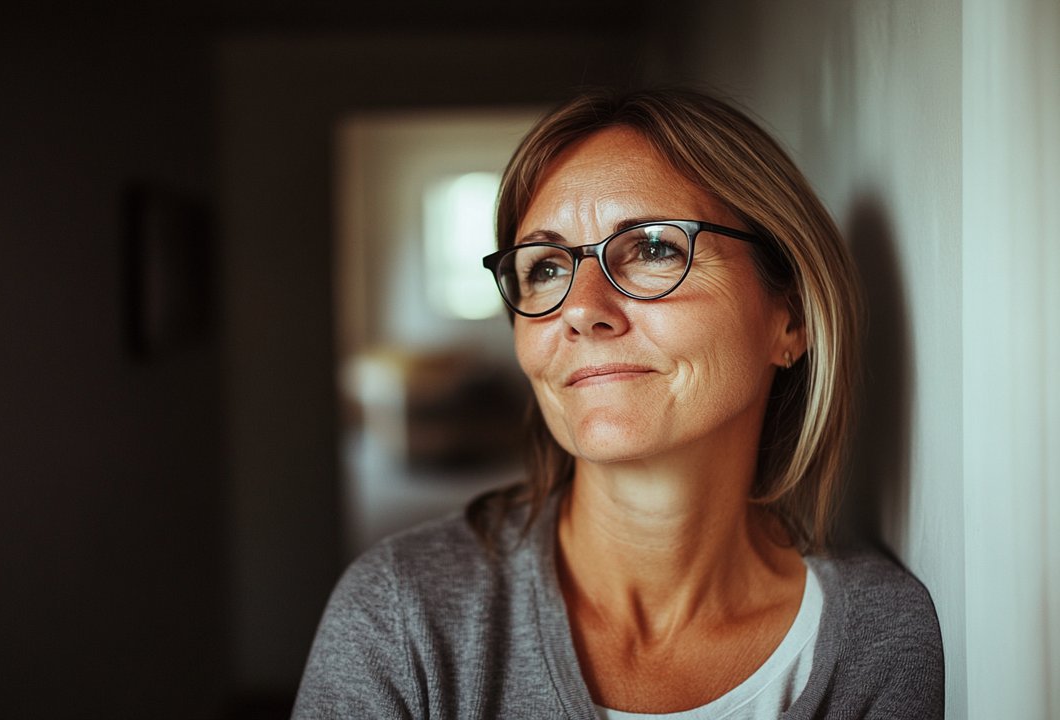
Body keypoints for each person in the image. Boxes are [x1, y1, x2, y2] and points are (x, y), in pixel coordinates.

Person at [294, 88, 944, 719]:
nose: (580, 308)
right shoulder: (402, 612)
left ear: (790, 318)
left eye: (654, 248)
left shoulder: (876, 636)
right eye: (545, 266)